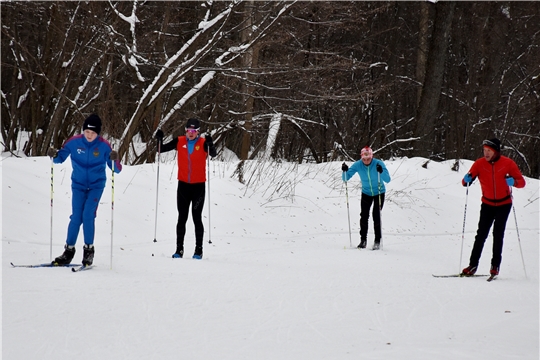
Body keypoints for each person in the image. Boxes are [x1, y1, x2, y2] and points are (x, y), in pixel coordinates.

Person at [48, 114, 121, 266]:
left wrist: (115, 158)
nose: (89, 135)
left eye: (93, 133)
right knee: (76, 217)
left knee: (88, 215)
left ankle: (88, 251)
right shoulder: (74, 142)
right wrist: (54, 154)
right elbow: (59, 158)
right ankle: (68, 251)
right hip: (78, 184)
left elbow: (116, 169)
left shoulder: (104, 146)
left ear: (98, 133)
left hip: (96, 185)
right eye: (87, 132)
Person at [460, 138, 525, 277]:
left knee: (498, 234)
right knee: (481, 234)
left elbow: (522, 182)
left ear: (496, 151)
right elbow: (466, 181)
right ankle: (473, 265)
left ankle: (495, 266)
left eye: (489, 150)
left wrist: (513, 182)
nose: (486, 153)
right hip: (487, 204)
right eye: (484, 150)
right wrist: (467, 179)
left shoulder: (508, 163)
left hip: (504, 204)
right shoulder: (479, 164)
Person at [155, 118, 216, 259]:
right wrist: (158, 140)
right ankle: (179, 250)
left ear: (198, 132)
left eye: (194, 131)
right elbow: (161, 149)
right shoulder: (180, 141)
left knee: (196, 218)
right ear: (186, 131)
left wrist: (211, 144)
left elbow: (213, 154)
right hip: (183, 186)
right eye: (189, 130)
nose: (191, 133)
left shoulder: (203, 143)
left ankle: (198, 250)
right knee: (182, 218)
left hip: (198, 187)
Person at [341, 146, 391, 250]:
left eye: (368, 159)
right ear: (361, 158)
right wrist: (344, 171)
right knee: (364, 216)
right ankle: (363, 240)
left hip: (379, 192)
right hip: (366, 192)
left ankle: (377, 241)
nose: (366, 161)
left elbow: (388, 179)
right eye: (364, 159)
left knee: (376, 215)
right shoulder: (358, 164)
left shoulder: (378, 163)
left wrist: (381, 171)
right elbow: (345, 178)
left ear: (372, 157)